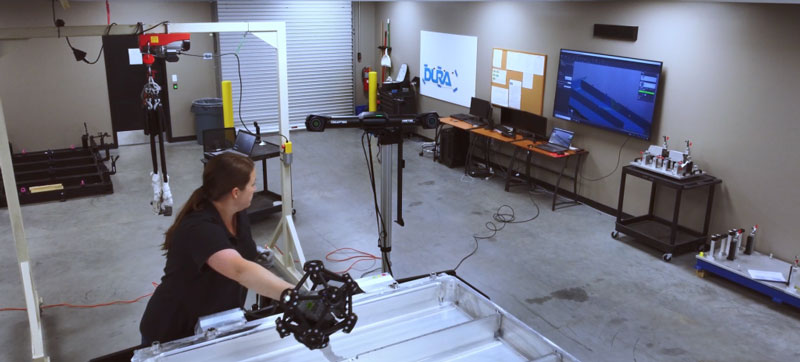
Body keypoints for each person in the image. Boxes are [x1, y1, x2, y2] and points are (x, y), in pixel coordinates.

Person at [140, 153, 294, 345]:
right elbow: (238, 269)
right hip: (174, 331)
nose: (255, 189)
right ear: (236, 192)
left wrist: (254, 254)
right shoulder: (198, 227)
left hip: (215, 323)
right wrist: (294, 295)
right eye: (253, 184)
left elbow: (237, 247)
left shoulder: (237, 212)